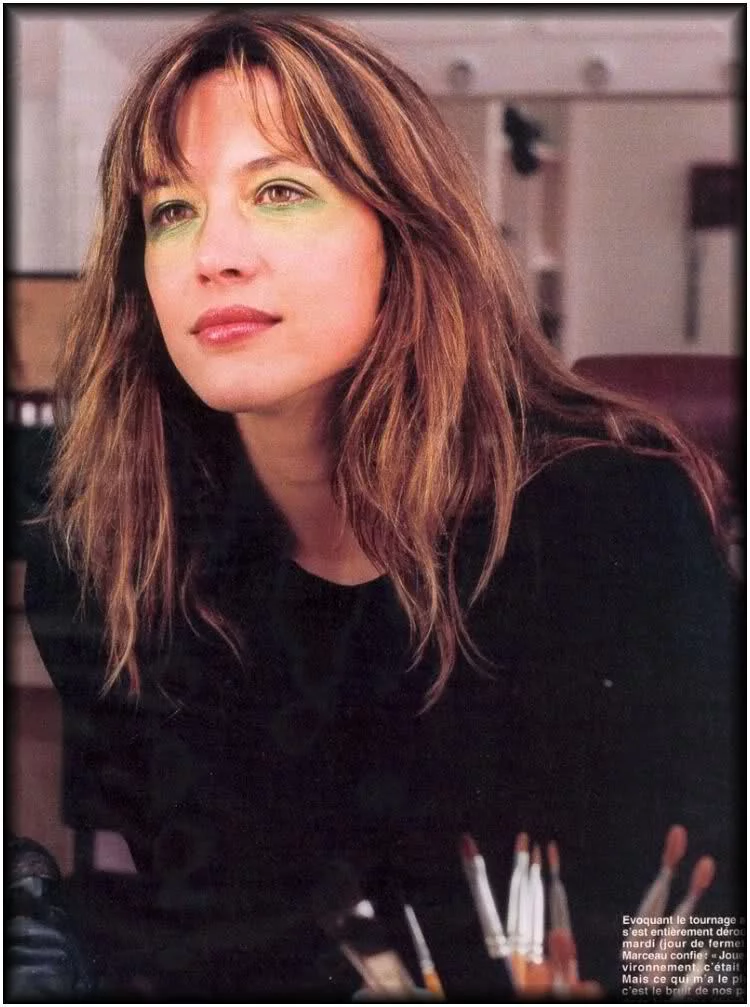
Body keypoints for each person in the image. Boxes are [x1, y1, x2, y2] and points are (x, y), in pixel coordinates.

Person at [24, 10, 739, 1000]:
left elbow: (702, 937)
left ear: (403, 237)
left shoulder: (610, 519)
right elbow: (190, 926)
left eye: (279, 191)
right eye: (171, 210)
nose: (212, 253)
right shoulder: (105, 551)